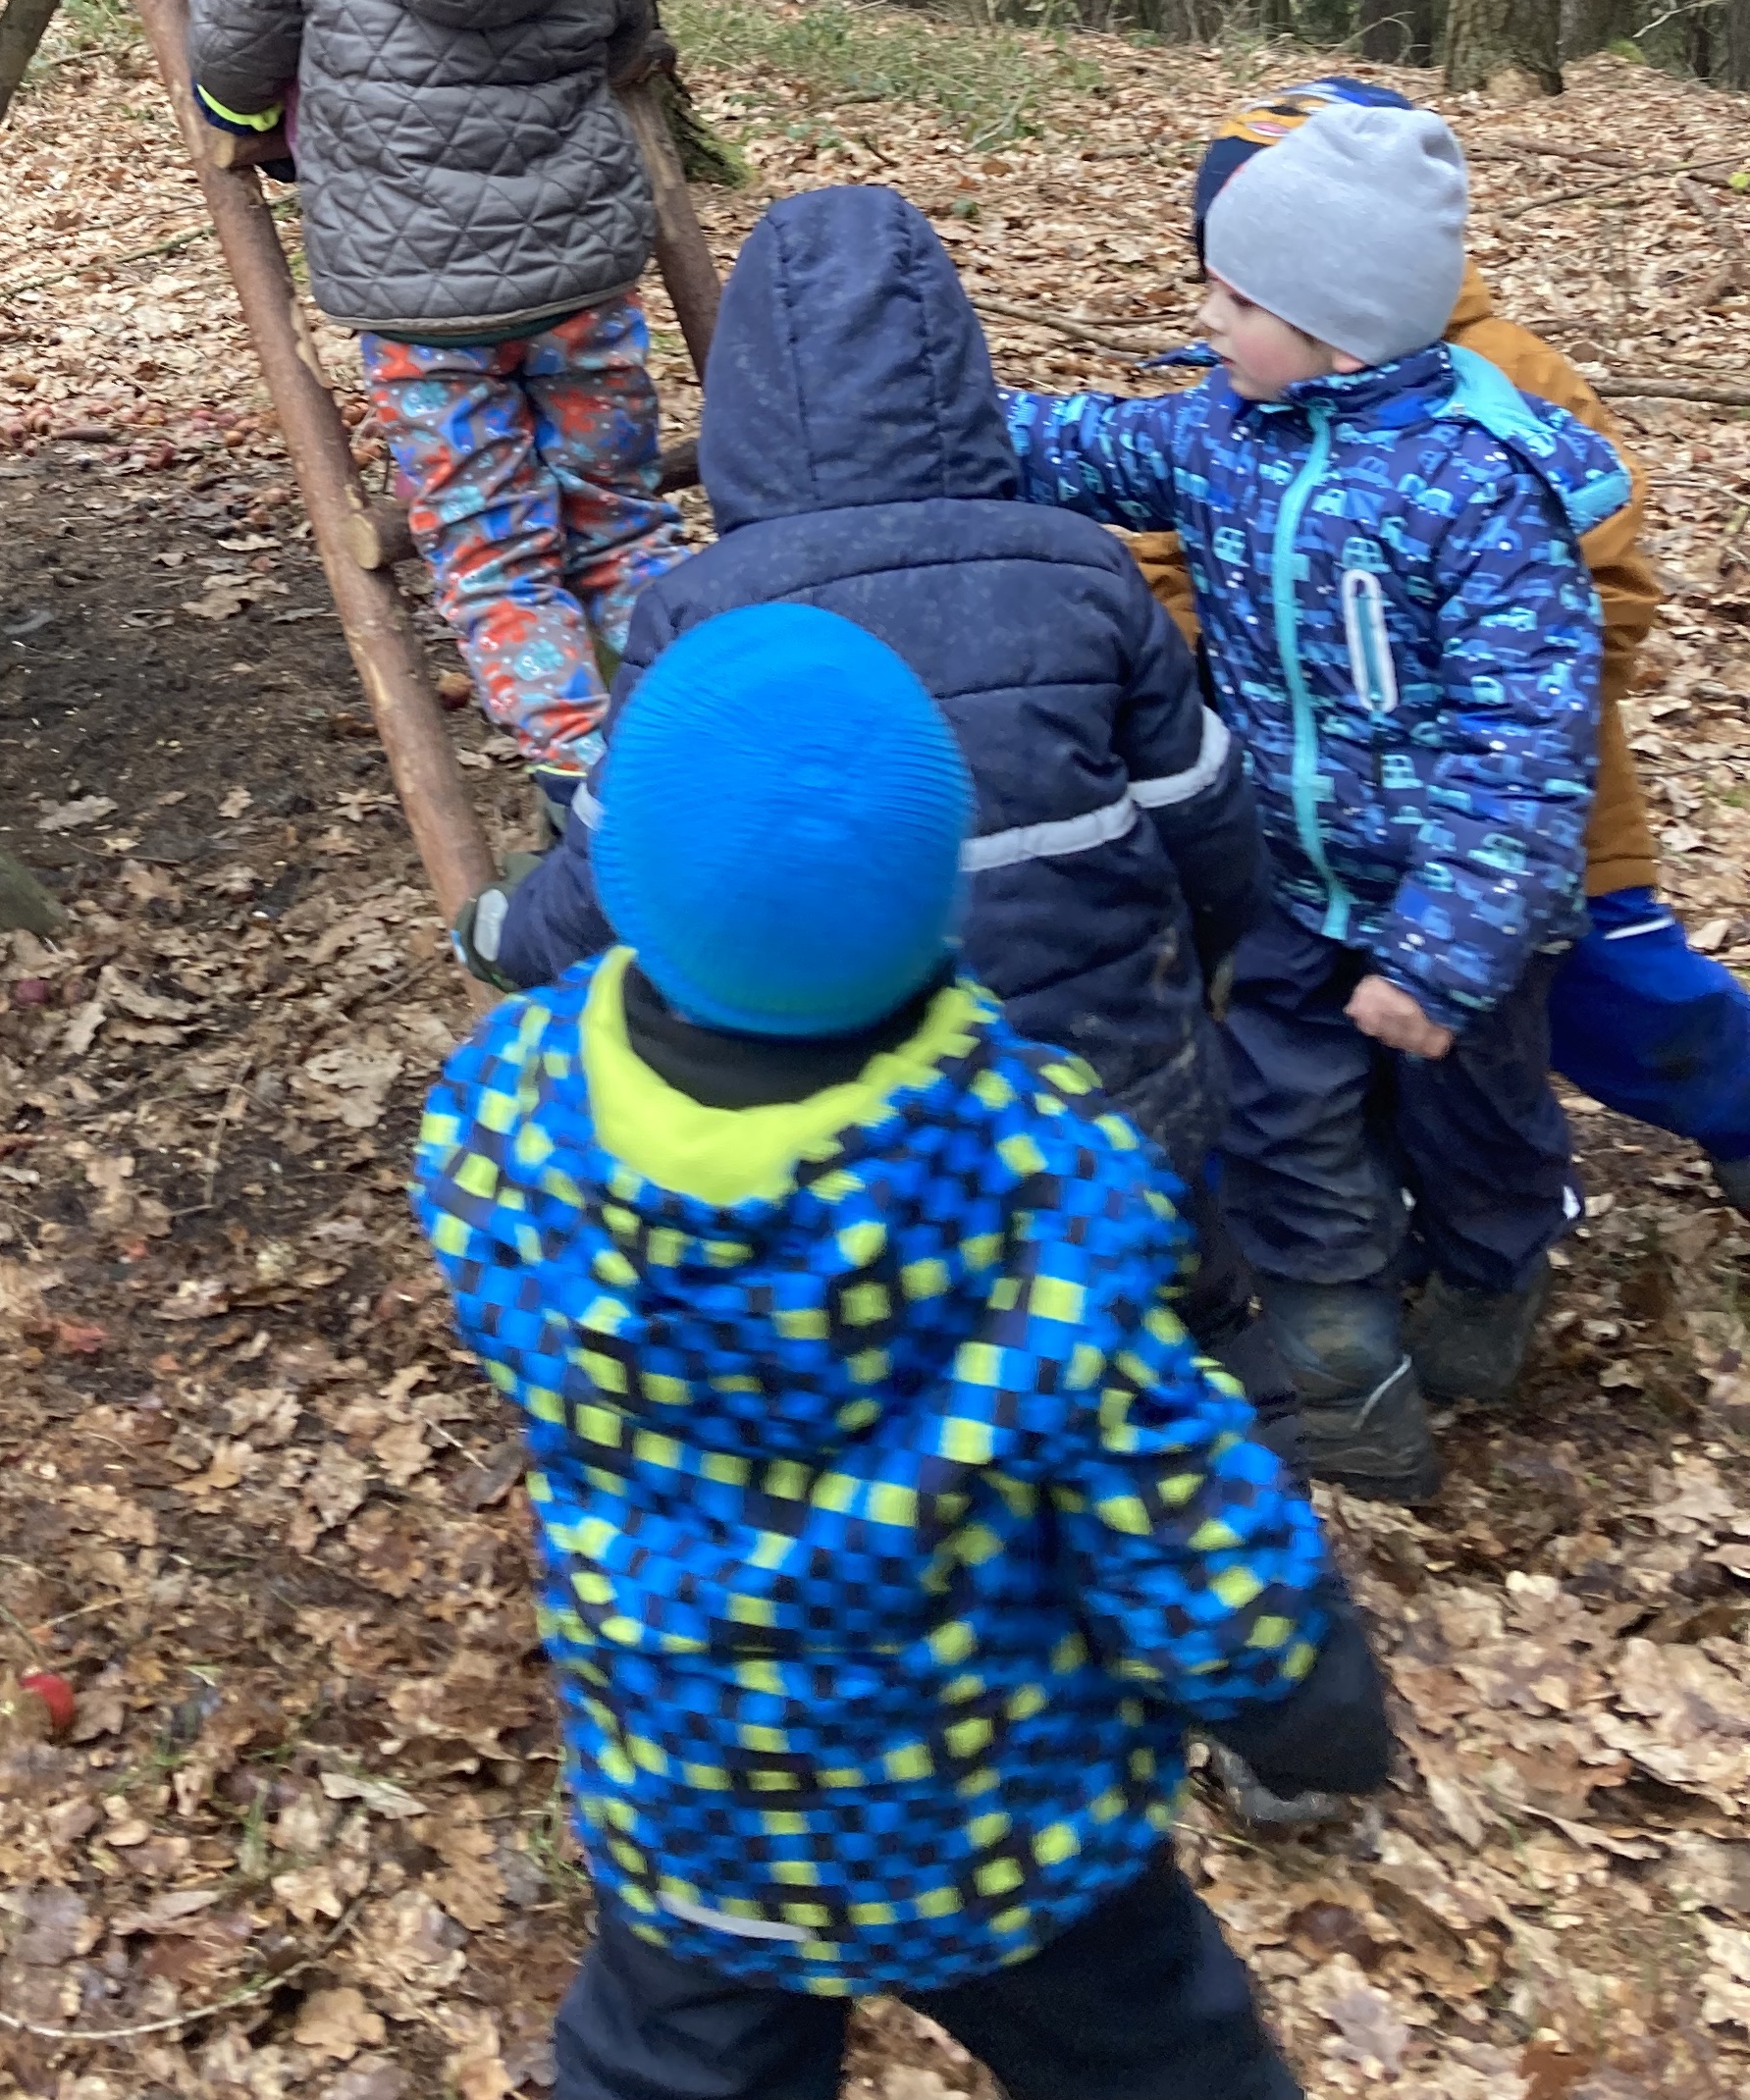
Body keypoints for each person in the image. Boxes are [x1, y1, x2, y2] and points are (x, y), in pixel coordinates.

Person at [416, 603, 1389, 2100]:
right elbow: (1165, 1485)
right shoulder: (1026, 1171)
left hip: (704, 1801)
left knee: (668, 2070)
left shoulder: (509, 1126)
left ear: (620, 883)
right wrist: (1296, 1684)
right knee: (1163, 2066)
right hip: (1000, 1821)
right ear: (944, 905)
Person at [1005, 97, 1627, 1504]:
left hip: (1457, 918)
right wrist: (924, 407)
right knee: (1279, 1119)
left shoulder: (1477, 490)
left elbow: (1526, 747)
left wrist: (1444, 956)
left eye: (1235, 300)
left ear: (1336, 329)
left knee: (1479, 1133)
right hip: (1288, 883)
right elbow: (1087, 447)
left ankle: (1489, 1281)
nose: (1204, 318)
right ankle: (1345, 1369)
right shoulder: (1229, 432)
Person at [474, 185, 1267, 1263]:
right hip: (1112, 1098)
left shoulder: (702, 612)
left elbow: (620, 866)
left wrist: (505, 934)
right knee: (1157, 1282)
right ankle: (1244, 1342)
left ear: (743, 399)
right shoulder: (1082, 568)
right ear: (961, 371)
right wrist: (1190, 967)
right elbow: (1209, 827)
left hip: (850, 1148)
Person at [1144, 82, 1750, 1215]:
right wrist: (1193, 662)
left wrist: (1455, 716)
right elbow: (1164, 558)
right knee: (1296, 1025)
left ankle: (1732, 1110)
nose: (1224, 306)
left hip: (1518, 815)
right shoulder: (1239, 393)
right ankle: (1362, 1209)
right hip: (1311, 817)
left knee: (1622, 998)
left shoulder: (1507, 389)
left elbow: (1607, 594)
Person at [186, 0, 681, 812]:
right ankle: (683, 743)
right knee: (619, 519)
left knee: (491, 549)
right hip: (581, 276)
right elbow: (628, 31)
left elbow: (239, 27)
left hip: (416, 305)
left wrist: (237, 114)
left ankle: (582, 781)